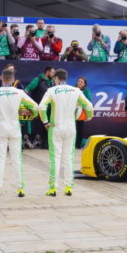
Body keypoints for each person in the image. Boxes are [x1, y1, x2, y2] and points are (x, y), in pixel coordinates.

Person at [0, 69, 38, 198]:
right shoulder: (19, 93)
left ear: (1, 78)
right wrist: (31, 115)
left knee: (0, 159)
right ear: (13, 79)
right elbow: (35, 107)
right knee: (16, 159)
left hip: (0, 130)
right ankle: (20, 189)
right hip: (15, 129)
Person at [39, 69, 94, 197]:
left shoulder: (51, 90)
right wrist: (88, 117)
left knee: (55, 158)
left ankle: (53, 188)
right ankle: (68, 187)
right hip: (70, 129)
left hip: (56, 128)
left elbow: (41, 107)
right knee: (68, 158)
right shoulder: (76, 91)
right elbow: (89, 106)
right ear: (66, 78)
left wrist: (45, 122)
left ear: (56, 78)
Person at [26, 66, 55, 148]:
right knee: (37, 126)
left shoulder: (53, 82)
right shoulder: (37, 80)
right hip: (38, 109)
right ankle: (33, 142)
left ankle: (47, 144)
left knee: (48, 126)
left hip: (50, 108)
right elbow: (27, 89)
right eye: (52, 72)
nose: (54, 74)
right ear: (47, 72)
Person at [75, 76, 92, 149]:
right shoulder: (73, 89)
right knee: (72, 129)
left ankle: (78, 145)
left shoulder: (86, 91)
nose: (79, 83)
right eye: (79, 81)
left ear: (84, 84)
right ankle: (71, 144)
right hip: (72, 113)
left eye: (81, 82)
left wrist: (81, 103)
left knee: (80, 129)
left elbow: (89, 101)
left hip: (81, 113)